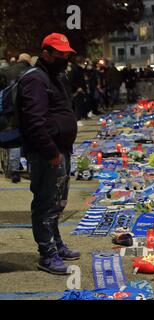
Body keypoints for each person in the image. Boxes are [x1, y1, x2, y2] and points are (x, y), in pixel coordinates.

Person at [17, 33, 80, 275]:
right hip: (47, 154)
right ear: (46, 53)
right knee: (45, 204)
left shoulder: (54, 76)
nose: (65, 58)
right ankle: (46, 254)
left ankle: (56, 244)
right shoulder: (35, 79)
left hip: (60, 151)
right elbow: (34, 122)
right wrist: (51, 151)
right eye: (60, 54)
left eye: (67, 54)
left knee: (57, 202)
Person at [0, 53, 33, 183]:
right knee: (28, 139)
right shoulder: (31, 72)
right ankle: (27, 168)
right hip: (26, 110)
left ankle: (13, 169)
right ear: (29, 61)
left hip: (10, 111)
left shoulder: (7, 71)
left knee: (12, 140)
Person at [68, 56, 87, 126]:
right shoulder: (75, 69)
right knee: (77, 105)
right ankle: (77, 119)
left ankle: (79, 118)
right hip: (77, 90)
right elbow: (73, 80)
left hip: (80, 89)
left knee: (80, 104)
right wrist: (78, 87)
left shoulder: (79, 69)